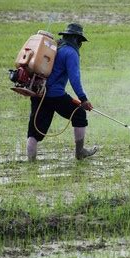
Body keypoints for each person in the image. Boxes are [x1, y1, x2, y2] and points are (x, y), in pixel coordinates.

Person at [26, 23, 97, 161]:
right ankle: (80, 152)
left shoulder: (54, 47)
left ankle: (30, 161)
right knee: (79, 114)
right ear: (77, 39)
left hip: (38, 93)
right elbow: (74, 79)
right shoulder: (71, 53)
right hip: (55, 95)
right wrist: (83, 99)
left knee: (34, 130)